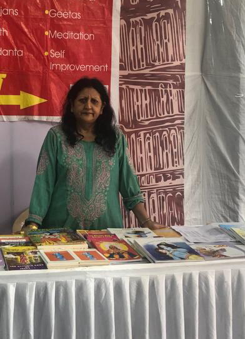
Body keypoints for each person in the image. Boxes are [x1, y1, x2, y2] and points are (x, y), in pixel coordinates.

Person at [25, 77, 163, 231]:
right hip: (62, 233)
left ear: (102, 108)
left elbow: (129, 184)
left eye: (94, 101)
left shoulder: (116, 139)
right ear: (71, 105)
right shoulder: (56, 137)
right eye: (82, 100)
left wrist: (147, 222)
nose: (88, 106)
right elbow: (44, 183)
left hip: (108, 236)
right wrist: (33, 223)